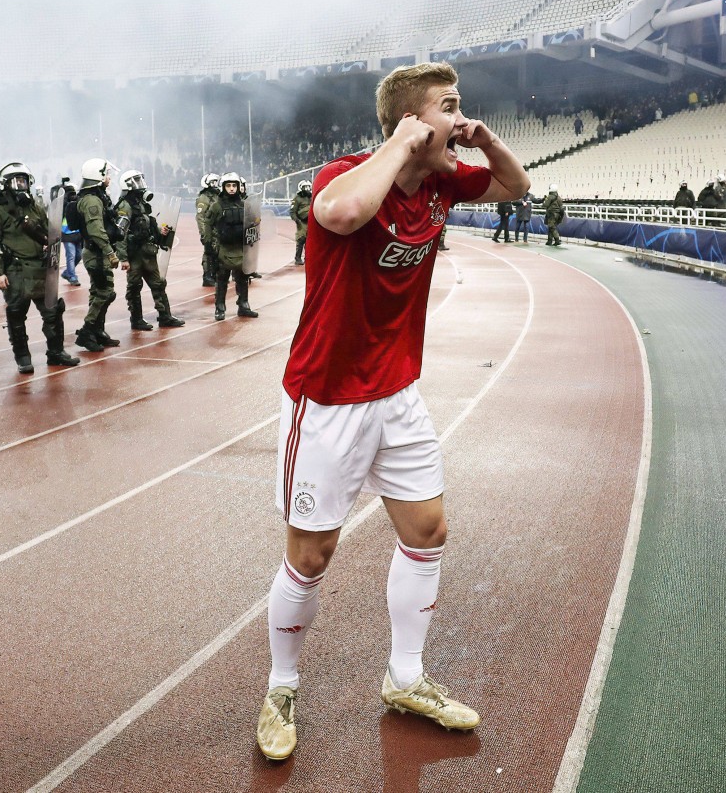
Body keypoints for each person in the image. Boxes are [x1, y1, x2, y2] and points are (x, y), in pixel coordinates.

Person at [255, 62, 529, 761]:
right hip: (327, 400)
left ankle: (405, 675)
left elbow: (514, 186)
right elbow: (341, 214)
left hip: (398, 393)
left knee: (429, 528)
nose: (462, 120)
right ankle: (281, 686)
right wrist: (400, 147)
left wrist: (486, 138)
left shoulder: (441, 183)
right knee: (312, 554)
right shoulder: (345, 177)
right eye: (450, 107)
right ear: (410, 122)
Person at [0, 162, 79, 373]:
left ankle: (56, 353)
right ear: (5, 185)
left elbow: (49, 231)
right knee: (16, 315)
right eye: (16, 182)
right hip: (16, 271)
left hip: (41, 269)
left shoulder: (35, 207)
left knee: (53, 312)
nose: (21, 186)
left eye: (23, 181)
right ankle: (23, 357)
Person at [115, 169, 184, 331]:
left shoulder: (141, 204)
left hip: (147, 251)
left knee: (158, 284)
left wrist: (160, 233)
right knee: (134, 286)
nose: (141, 184)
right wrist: (123, 258)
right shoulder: (125, 206)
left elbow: (147, 225)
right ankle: (136, 319)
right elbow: (121, 234)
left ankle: (164, 316)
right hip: (134, 255)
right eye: (136, 181)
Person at [72, 158, 122, 353]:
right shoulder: (92, 200)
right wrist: (110, 252)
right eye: (107, 174)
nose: (109, 177)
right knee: (104, 292)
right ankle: (86, 332)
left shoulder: (96, 195)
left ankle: (97, 331)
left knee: (98, 293)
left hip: (97, 252)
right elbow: (96, 230)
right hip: (97, 254)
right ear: (98, 176)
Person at [198, 173, 257, 321]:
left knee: (243, 278)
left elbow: (252, 225)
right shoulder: (217, 206)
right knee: (222, 279)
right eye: (228, 186)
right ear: (224, 187)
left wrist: (253, 240)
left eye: (234, 186)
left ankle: (243, 305)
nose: (231, 189)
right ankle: (220, 307)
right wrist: (209, 246)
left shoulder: (245, 205)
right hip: (224, 249)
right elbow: (208, 225)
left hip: (241, 247)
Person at [195, 173, 221, 286]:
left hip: (218, 229)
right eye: (212, 182)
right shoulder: (203, 198)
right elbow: (200, 217)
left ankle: (215, 274)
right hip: (209, 230)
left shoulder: (217, 196)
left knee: (218, 252)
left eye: (216, 182)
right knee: (209, 252)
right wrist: (204, 234)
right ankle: (207, 276)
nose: (214, 184)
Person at [289, 180, 311, 265]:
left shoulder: (312, 197)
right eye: (305, 187)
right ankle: (298, 258)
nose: (307, 189)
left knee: (310, 241)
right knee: (301, 239)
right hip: (302, 221)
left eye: (308, 187)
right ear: (301, 188)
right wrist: (297, 221)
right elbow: (292, 212)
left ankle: (308, 258)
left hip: (311, 222)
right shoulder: (297, 198)